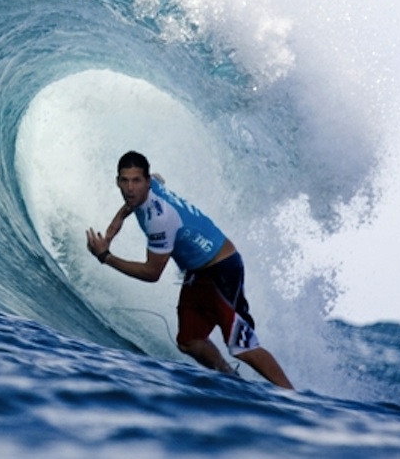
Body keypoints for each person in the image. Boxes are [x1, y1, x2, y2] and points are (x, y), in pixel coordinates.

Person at [85, 151, 293, 389]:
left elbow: (152, 273)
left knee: (242, 346)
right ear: (118, 181)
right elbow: (138, 196)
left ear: (147, 182)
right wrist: (112, 231)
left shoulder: (159, 219)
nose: (130, 188)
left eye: (136, 181)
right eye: (125, 180)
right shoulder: (151, 187)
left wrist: (105, 257)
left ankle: (294, 399)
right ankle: (231, 381)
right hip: (199, 274)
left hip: (222, 270)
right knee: (189, 341)